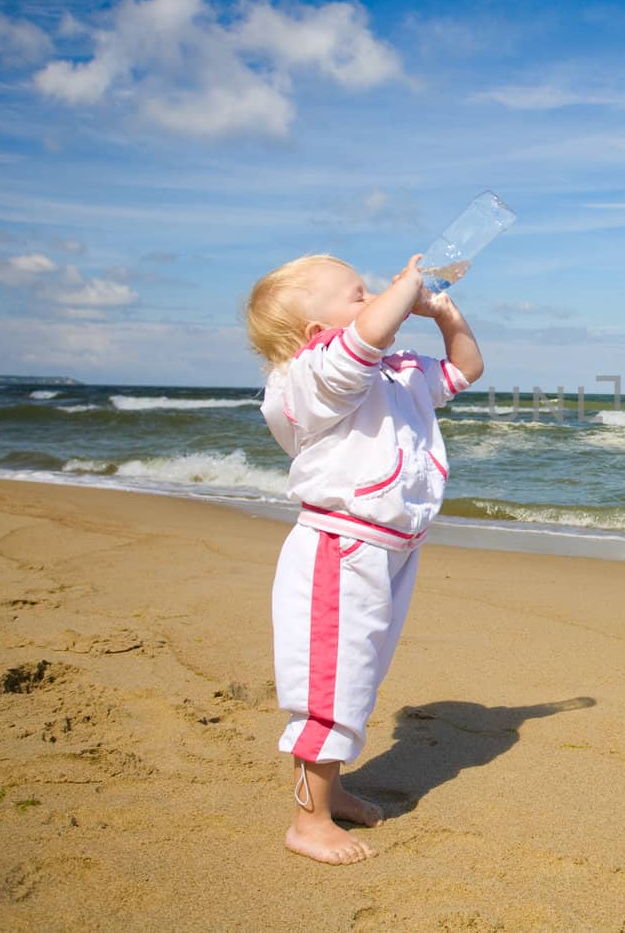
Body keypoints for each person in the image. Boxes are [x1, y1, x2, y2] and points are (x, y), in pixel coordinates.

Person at [244, 252, 483, 864]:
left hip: (392, 550)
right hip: (340, 549)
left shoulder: (395, 372)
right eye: (358, 294)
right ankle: (308, 820)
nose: (377, 298)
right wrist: (408, 284)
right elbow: (365, 336)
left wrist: (445, 312)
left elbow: (466, 368)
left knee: (361, 677)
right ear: (315, 333)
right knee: (332, 682)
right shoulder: (309, 378)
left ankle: (334, 790)